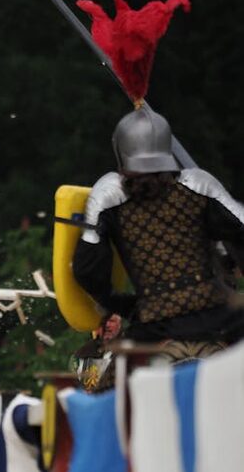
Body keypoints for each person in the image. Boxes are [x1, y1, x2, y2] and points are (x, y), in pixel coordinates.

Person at [72, 107, 244, 359]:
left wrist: (125, 306)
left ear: (121, 151)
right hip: (220, 318)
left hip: (153, 325)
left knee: (108, 389)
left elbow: (88, 272)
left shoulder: (108, 195)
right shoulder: (199, 184)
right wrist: (228, 270)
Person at [73, 313, 122, 392]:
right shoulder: (86, 352)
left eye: (112, 321)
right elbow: (89, 388)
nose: (107, 325)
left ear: (119, 325)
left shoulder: (126, 349)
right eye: (103, 322)